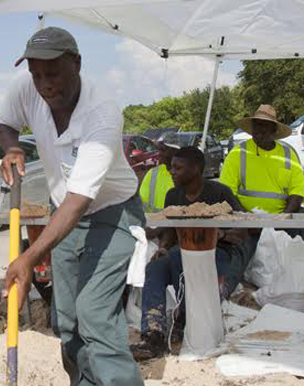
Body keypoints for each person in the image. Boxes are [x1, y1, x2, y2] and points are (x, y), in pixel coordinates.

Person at [0, 26, 145, 386]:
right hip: (63, 212)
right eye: (37, 75)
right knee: (66, 320)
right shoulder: (27, 86)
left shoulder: (102, 112)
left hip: (112, 213)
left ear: (76, 63)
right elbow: (4, 121)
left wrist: (28, 258)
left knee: (93, 312)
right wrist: (11, 147)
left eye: (53, 73)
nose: (44, 84)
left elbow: (80, 200)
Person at [130, 147, 257, 361]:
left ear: (196, 169)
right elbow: (170, 230)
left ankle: (183, 320)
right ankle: (153, 335)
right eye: (172, 167)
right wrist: (163, 246)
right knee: (154, 268)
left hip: (217, 253)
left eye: (178, 168)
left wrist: (221, 234)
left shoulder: (219, 193)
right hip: (181, 250)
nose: (172, 172)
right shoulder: (173, 195)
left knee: (181, 260)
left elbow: (243, 226)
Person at [220, 105, 304, 232]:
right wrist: (248, 219)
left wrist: (284, 217)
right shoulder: (238, 153)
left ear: (274, 129)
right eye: (256, 125)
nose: (258, 129)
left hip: (281, 221)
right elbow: (227, 193)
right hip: (245, 224)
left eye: (264, 125)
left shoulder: (288, 154)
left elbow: (298, 192)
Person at [139, 132, 179, 213]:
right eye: (158, 149)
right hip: (153, 223)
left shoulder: (184, 174)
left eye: (163, 150)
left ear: (174, 151)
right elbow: (142, 202)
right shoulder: (152, 173)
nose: (159, 153)